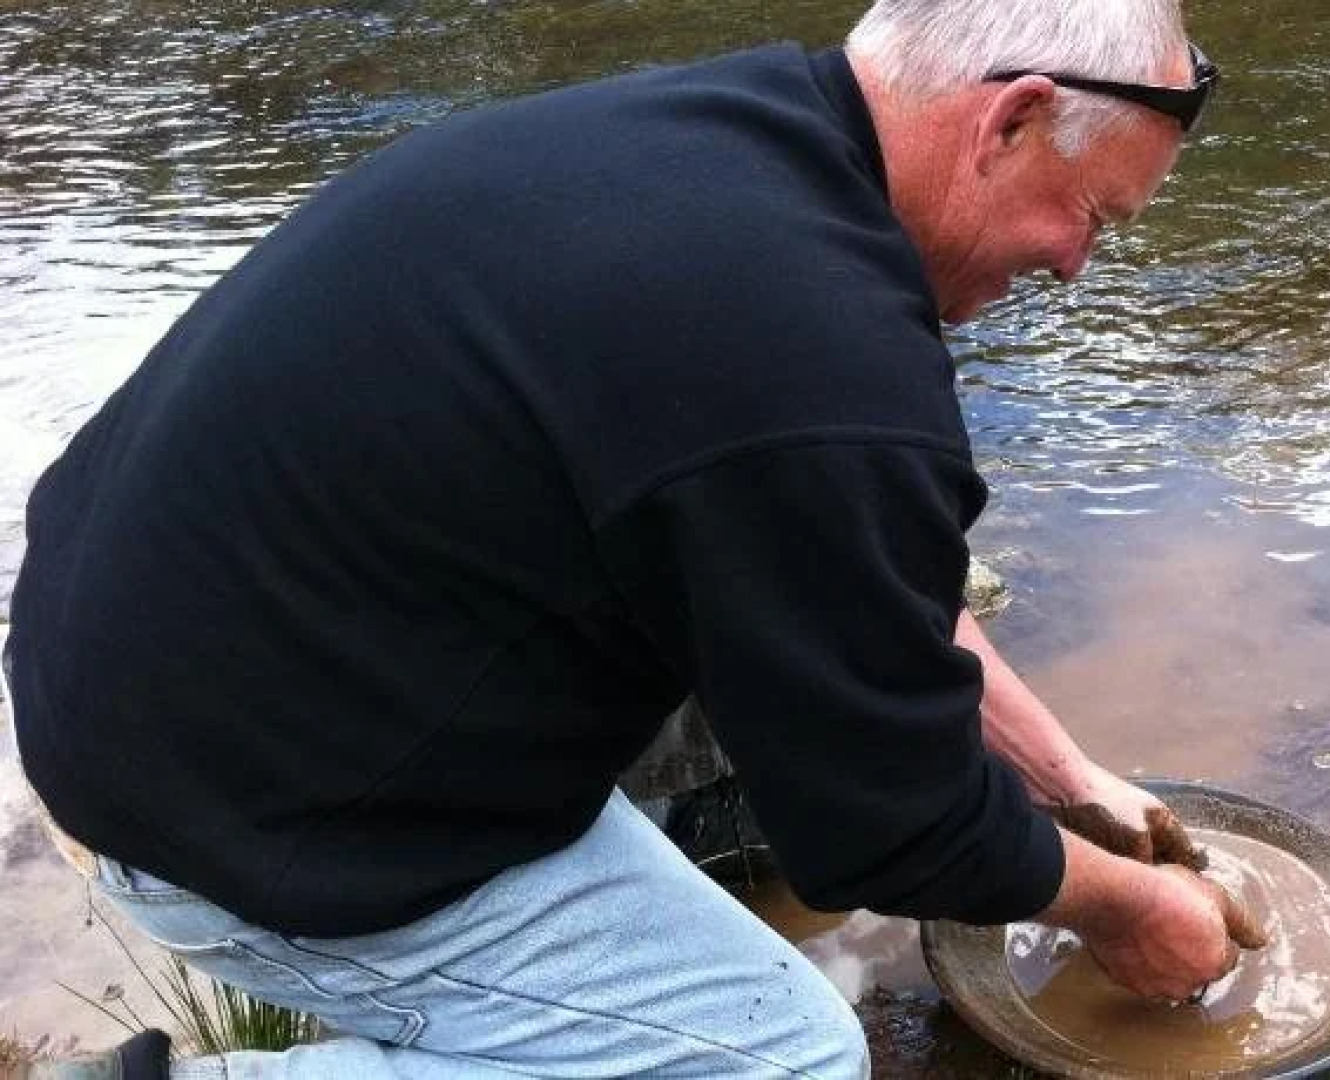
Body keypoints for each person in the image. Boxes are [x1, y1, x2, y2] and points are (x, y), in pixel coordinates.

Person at [7, 0, 1252, 1076]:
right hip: (228, 818)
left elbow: (863, 579)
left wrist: (1068, 780)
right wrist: (1127, 909)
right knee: (781, 1057)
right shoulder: (817, 357)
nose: (1079, 268)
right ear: (1011, 120)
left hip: (136, 659)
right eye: (1092, 216)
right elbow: (894, 824)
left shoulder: (736, 129)